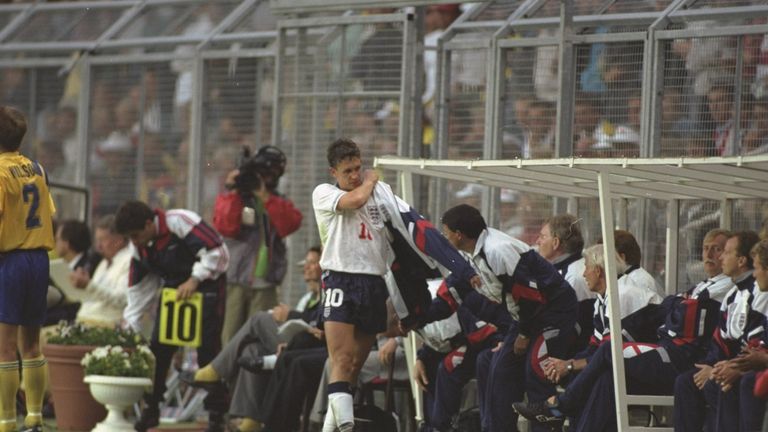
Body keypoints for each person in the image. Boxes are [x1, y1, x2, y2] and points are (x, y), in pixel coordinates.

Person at [312, 138, 478, 432]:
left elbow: (408, 223)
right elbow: (355, 200)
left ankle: (330, 428)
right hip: (339, 279)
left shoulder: (380, 195)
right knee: (340, 358)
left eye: (358, 168)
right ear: (333, 173)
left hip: (373, 284)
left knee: (353, 366)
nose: (355, 175)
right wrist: (372, 180)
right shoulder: (325, 193)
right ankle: (344, 428)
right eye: (347, 171)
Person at [439, 204, 577, 432]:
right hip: (525, 315)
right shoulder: (472, 251)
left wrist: (523, 334)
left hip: (552, 311)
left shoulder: (497, 250)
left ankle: (546, 426)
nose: (444, 237)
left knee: (537, 369)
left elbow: (530, 296)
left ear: (459, 234)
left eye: (446, 232)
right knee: (499, 370)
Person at [115, 200, 229, 432]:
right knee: (157, 351)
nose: (134, 242)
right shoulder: (139, 247)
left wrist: (195, 279)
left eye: (136, 235)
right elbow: (138, 292)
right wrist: (130, 332)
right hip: (173, 294)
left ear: (149, 224)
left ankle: (216, 415)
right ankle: (152, 409)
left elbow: (218, 251)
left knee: (208, 352)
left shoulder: (181, 221)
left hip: (207, 288)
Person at [184, 246, 323, 432]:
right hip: (294, 344)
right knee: (252, 351)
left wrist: (290, 315)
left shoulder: (329, 296)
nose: (307, 267)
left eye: (313, 263)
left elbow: (319, 325)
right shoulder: (307, 298)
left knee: (259, 319)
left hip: (312, 349)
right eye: (305, 263)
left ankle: (214, 371)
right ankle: (251, 422)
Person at [0, 106, 56, 432]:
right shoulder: (37, 168)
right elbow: (47, 211)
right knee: (31, 344)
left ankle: (6, 421)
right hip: (39, 259)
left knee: (5, 348)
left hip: (10, 261)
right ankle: (34, 416)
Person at [673, 231, 761, 432]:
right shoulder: (732, 294)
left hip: (747, 366)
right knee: (685, 382)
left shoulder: (758, 292)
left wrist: (717, 369)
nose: (720, 257)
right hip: (730, 363)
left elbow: (754, 342)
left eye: (726, 252)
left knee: (720, 382)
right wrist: (711, 366)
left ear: (741, 260)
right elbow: (720, 341)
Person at [217, 145, 303, 344]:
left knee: (260, 338)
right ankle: (228, 376)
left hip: (265, 283)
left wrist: (265, 197)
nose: (265, 179)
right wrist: (233, 190)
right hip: (235, 281)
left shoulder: (277, 201)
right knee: (229, 338)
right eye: (261, 174)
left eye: (270, 174)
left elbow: (291, 224)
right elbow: (225, 226)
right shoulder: (235, 197)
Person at [536, 214, 595, 351]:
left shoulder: (574, 276)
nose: (538, 241)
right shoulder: (559, 270)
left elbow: (575, 327)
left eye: (543, 236)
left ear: (556, 243)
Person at [70, 215, 132, 329]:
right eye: (97, 240)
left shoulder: (128, 262)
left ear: (118, 240)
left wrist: (89, 285)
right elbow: (94, 296)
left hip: (105, 325)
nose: (98, 246)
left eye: (103, 240)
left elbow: (121, 299)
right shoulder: (103, 263)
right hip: (85, 321)